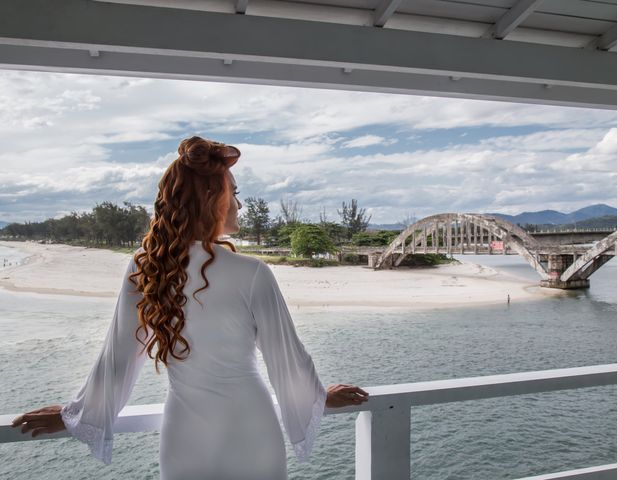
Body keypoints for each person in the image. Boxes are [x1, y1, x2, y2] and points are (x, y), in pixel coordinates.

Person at [11, 136, 369, 479]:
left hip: (184, 434)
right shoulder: (252, 273)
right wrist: (319, 398)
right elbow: (286, 360)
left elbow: (119, 358)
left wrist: (75, 413)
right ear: (213, 197)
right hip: (252, 430)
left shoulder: (146, 267)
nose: (240, 204)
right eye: (235, 192)